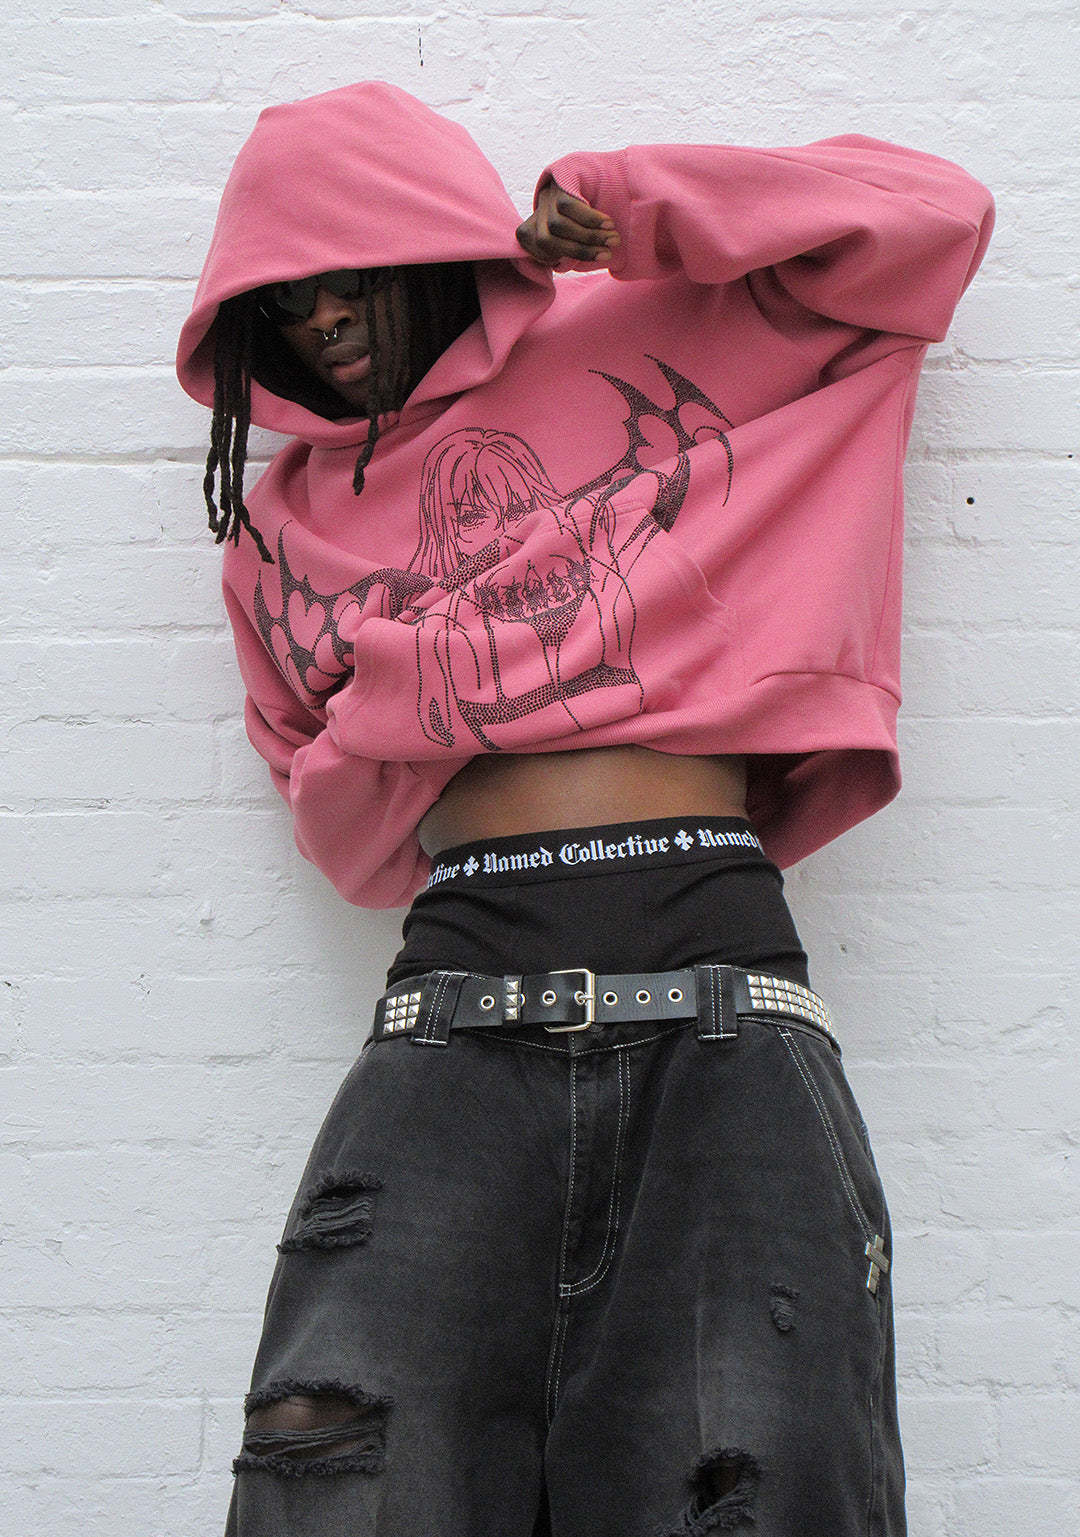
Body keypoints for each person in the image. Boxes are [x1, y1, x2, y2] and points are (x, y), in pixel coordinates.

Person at [176, 80, 993, 1536]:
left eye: (353, 275)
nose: (323, 319)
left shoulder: (656, 330)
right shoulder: (280, 530)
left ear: (430, 244)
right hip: (453, 1012)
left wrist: (636, 206)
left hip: (716, 1001)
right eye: (283, 303)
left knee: (757, 1486)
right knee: (334, 1479)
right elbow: (336, 819)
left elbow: (931, 223)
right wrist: (415, 700)